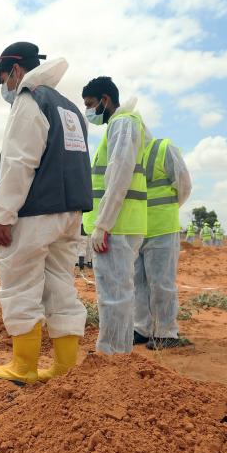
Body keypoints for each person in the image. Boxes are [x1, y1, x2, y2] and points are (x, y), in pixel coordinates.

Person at [0, 42, 92, 384]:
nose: (4, 87)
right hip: (69, 214)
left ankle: (24, 368)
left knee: (20, 285)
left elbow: (19, 162)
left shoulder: (29, 101)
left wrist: (4, 215)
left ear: (16, 70)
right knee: (61, 286)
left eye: (3, 78)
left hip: (34, 215)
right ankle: (62, 368)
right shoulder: (69, 108)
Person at [81, 76, 149, 355]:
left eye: (91, 105)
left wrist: (103, 224)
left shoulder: (123, 123)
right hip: (122, 224)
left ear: (105, 100)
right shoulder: (127, 124)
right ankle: (116, 351)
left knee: (113, 295)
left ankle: (112, 355)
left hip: (116, 226)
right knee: (119, 291)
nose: (89, 112)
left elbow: (118, 174)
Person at [132, 138, 192, 350]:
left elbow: (184, 185)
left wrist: (168, 211)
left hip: (162, 228)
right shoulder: (128, 151)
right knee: (137, 282)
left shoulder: (163, 148)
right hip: (135, 228)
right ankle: (141, 328)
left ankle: (166, 332)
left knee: (160, 283)